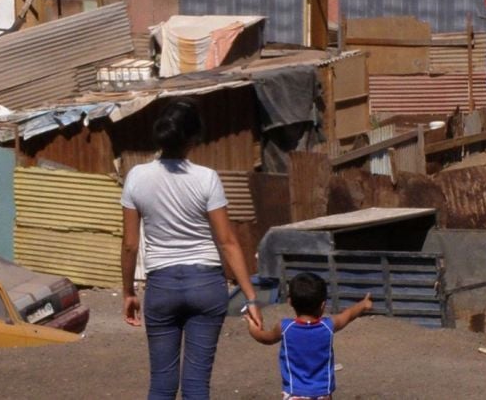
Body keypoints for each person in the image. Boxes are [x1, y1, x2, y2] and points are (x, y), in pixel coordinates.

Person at [121, 98, 263, 400]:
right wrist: (251, 297)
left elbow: (130, 245)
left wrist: (128, 291)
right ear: (194, 137)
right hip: (206, 285)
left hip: (161, 286)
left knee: (161, 384)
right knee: (197, 386)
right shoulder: (206, 179)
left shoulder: (136, 177)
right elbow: (227, 241)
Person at [245, 272, 373, 400]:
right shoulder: (328, 326)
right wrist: (363, 304)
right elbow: (349, 314)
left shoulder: (285, 327)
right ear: (323, 305)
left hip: (294, 393)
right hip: (322, 393)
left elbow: (265, 338)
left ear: (290, 302)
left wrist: (252, 328)